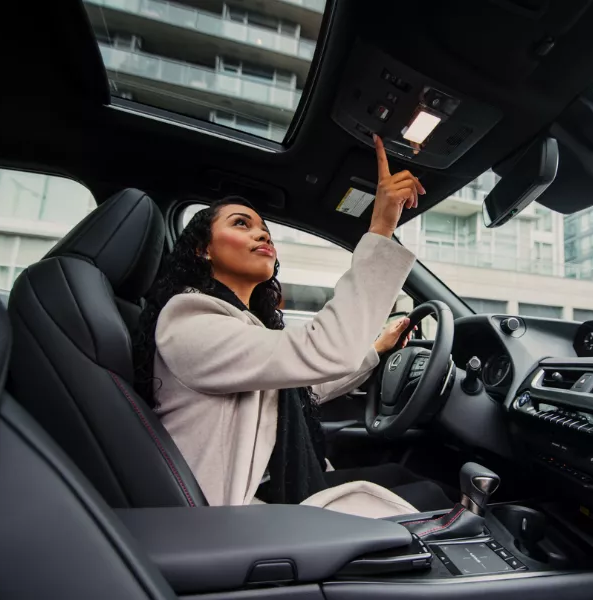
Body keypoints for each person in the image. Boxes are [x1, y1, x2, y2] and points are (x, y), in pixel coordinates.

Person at [134, 135, 451, 518]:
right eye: (241, 224)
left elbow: (302, 384)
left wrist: (377, 350)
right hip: (247, 514)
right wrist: (381, 227)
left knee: (401, 476)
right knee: (433, 496)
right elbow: (324, 351)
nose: (262, 233)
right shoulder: (188, 320)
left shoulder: (235, 322)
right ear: (203, 249)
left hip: (275, 491)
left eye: (264, 229)